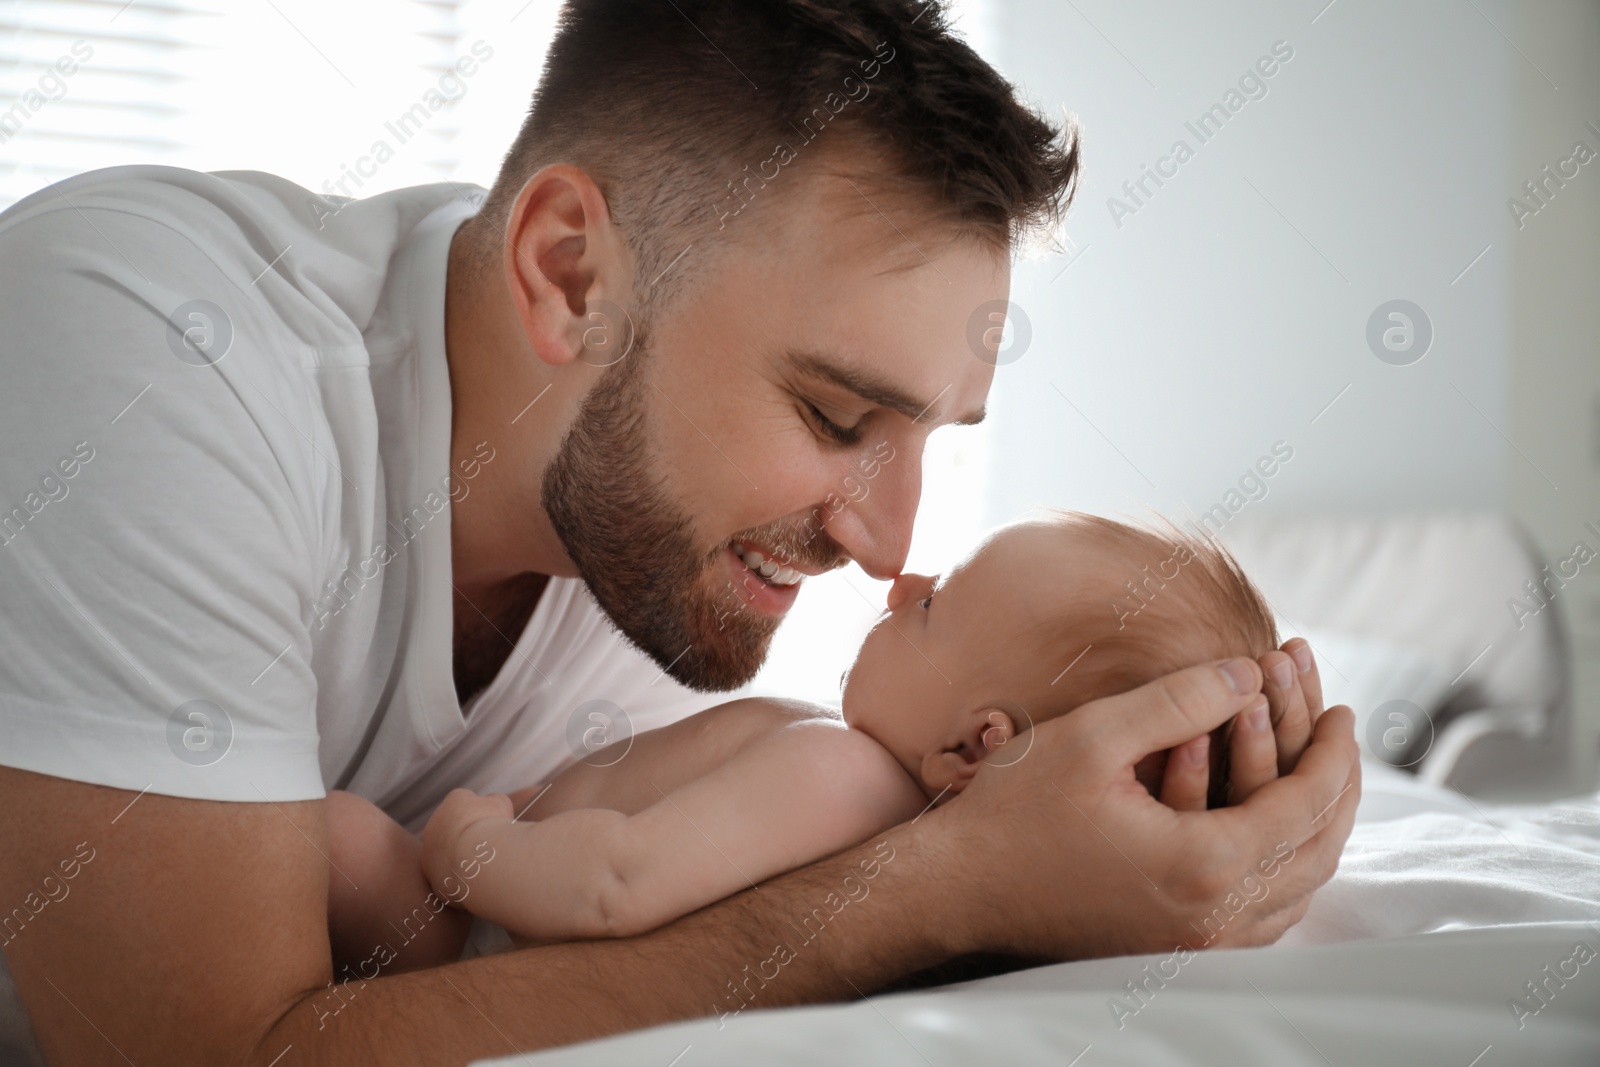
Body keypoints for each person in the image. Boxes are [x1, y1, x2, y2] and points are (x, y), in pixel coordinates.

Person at [0, 1, 1359, 1063]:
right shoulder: (154, 359)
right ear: (570, 274)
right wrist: (952, 885)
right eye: (836, 415)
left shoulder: (673, 577)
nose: (889, 547)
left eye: (938, 435)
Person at [324, 511, 1285, 967]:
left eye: (937, 604)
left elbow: (614, 885)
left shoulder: (842, 778)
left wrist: (468, 847)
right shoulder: (871, 802)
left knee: (330, 837)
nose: (904, 584)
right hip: (504, 903)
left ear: (976, 744)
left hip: (476, 933)